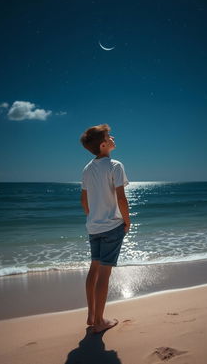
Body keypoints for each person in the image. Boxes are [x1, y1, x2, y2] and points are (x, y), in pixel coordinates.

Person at [80, 124, 130, 333]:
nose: (113, 138)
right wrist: (127, 221)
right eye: (109, 136)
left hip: (94, 227)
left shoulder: (87, 168)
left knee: (94, 269)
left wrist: (94, 218)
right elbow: (120, 197)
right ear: (103, 145)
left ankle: (91, 316)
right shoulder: (115, 165)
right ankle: (100, 322)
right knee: (105, 274)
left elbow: (84, 201)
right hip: (111, 226)